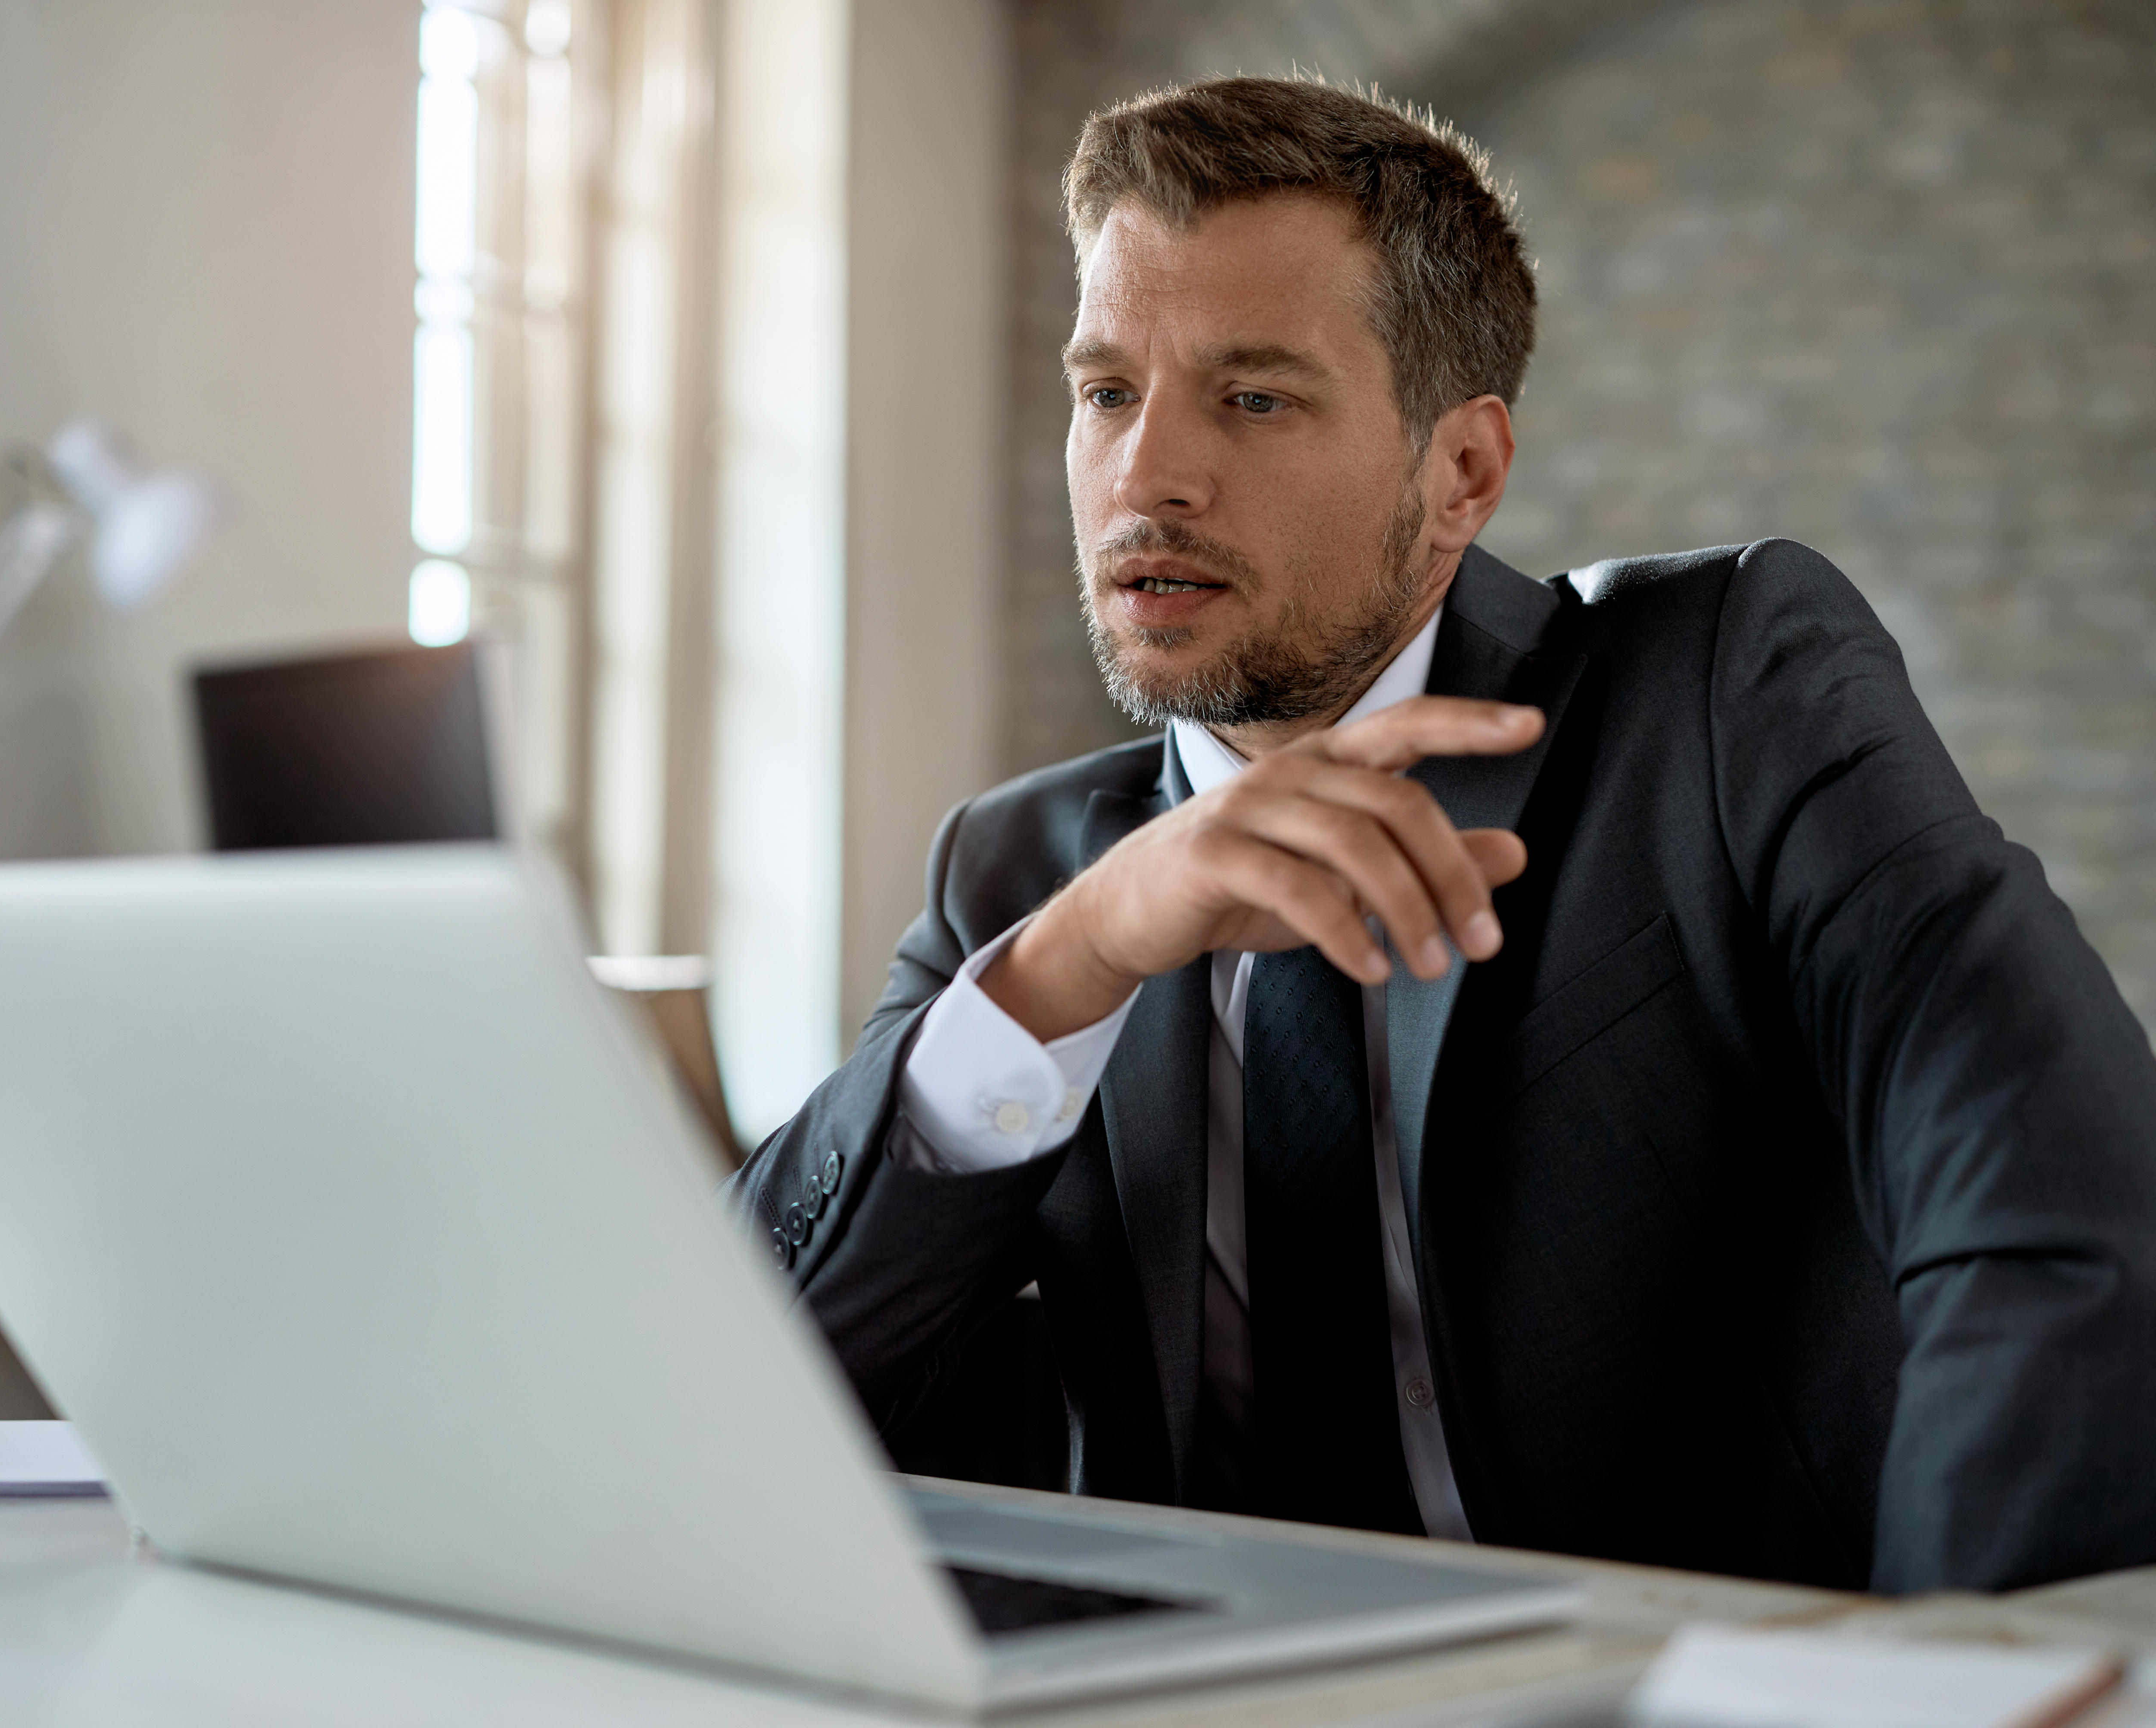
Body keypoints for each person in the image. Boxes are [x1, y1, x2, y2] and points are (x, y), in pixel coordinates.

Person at [727, 75, 2156, 1595]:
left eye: (1254, 395)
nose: (1147, 477)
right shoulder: (1017, 877)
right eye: (1106, 394)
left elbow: (2063, 1217)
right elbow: (746, 1387)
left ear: (1461, 471)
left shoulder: (1727, 694)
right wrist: (1076, 958)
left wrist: (1936, 1686)